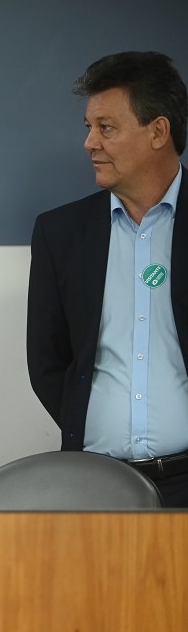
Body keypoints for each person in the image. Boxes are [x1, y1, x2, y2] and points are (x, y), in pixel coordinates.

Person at [27, 51, 188, 508]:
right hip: (95, 485)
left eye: (106, 128)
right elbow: (47, 361)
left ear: (158, 131)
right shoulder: (60, 233)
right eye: (89, 127)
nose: (89, 143)